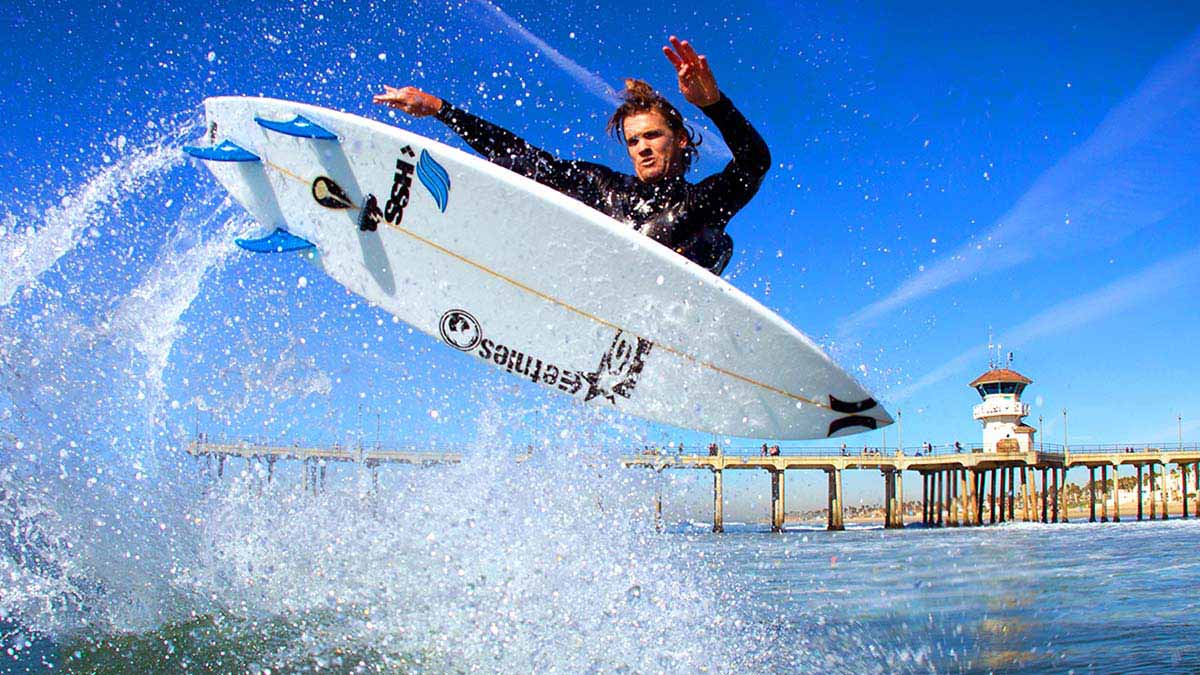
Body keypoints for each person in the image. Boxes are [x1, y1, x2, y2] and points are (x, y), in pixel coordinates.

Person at [373, 36, 770, 275]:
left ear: (680, 140)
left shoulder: (702, 204)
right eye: (633, 141)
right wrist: (441, 109)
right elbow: (523, 158)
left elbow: (754, 162)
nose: (643, 147)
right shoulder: (605, 188)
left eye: (653, 136)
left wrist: (714, 105)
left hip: (672, 306)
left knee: (715, 241)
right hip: (601, 287)